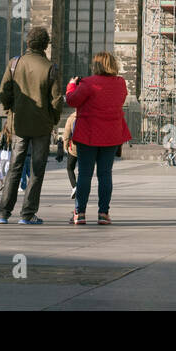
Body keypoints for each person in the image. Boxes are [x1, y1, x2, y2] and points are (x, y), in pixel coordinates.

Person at [0, 26, 64, 225]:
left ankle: (3, 213)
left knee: (14, 168)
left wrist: (10, 111)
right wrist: (53, 119)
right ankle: (27, 214)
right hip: (42, 125)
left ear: (28, 43)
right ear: (45, 45)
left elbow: (4, 91)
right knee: (37, 170)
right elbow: (57, 99)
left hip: (18, 124)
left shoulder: (14, 63)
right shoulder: (51, 67)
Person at [64, 52, 132, 225]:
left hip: (89, 135)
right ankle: (103, 213)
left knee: (84, 175)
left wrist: (71, 86)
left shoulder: (88, 83)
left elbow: (72, 101)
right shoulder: (121, 83)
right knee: (105, 174)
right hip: (111, 135)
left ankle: (79, 213)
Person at [62, 112, 79, 198]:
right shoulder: (90, 115)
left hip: (74, 148)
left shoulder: (71, 117)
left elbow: (67, 133)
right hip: (86, 147)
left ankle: (75, 186)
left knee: (70, 168)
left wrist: (65, 146)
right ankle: (82, 187)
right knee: (84, 170)